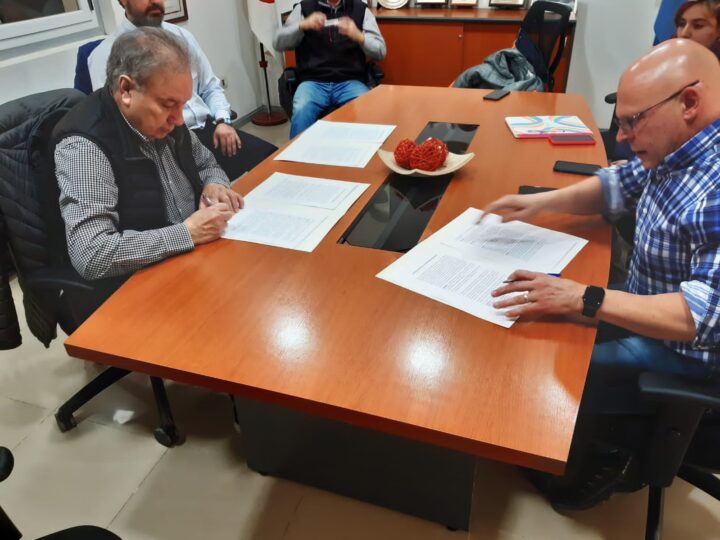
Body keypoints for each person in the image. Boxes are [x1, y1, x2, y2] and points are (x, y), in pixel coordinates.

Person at [483, 39, 720, 509]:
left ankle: (590, 472)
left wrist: (584, 299)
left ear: (689, 102)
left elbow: (702, 316)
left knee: (552, 369)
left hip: (689, 354)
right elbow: (619, 183)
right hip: (646, 307)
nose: (623, 136)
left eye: (634, 121)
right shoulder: (678, 151)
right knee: (536, 324)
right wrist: (535, 205)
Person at [54, 27, 241, 314]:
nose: (180, 120)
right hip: (138, 286)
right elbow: (90, 253)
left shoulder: (169, 122)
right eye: (169, 105)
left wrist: (214, 184)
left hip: (192, 259)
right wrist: (187, 233)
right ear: (127, 90)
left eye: (183, 105)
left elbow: (206, 164)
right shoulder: (85, 144)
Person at [88, 0, 277, 181]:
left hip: (209, 130)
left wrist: (223, 120)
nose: (155, 1)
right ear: (122, 1)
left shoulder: (181, 36)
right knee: (205, 198)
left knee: (273, 161)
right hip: (166, 144)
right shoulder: (105, 54)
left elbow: (210, 85)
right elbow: (116, 121)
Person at [273, 0, 386, 138]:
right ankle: (298, 157)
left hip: (350, 81)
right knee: (302, 108)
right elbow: (278, 43)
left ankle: (364, 156)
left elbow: (381, 51)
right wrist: (302, 25)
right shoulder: (304, 8)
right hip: (313, 82)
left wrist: (359, 36)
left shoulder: (361, 9)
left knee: (368, 109)